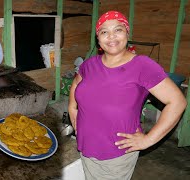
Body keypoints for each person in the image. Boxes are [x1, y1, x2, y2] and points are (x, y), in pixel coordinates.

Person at [68, 10, 187, 180]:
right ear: (98, 38)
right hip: (86, 147)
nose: (111, 37)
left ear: (127, 33)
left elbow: (177, 102)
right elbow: (76, 83)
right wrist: (73, 109)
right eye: (104, 32)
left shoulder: (142, 65)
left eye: (118, 29)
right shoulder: (89, 65)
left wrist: (148, 140)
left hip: (116, 155)